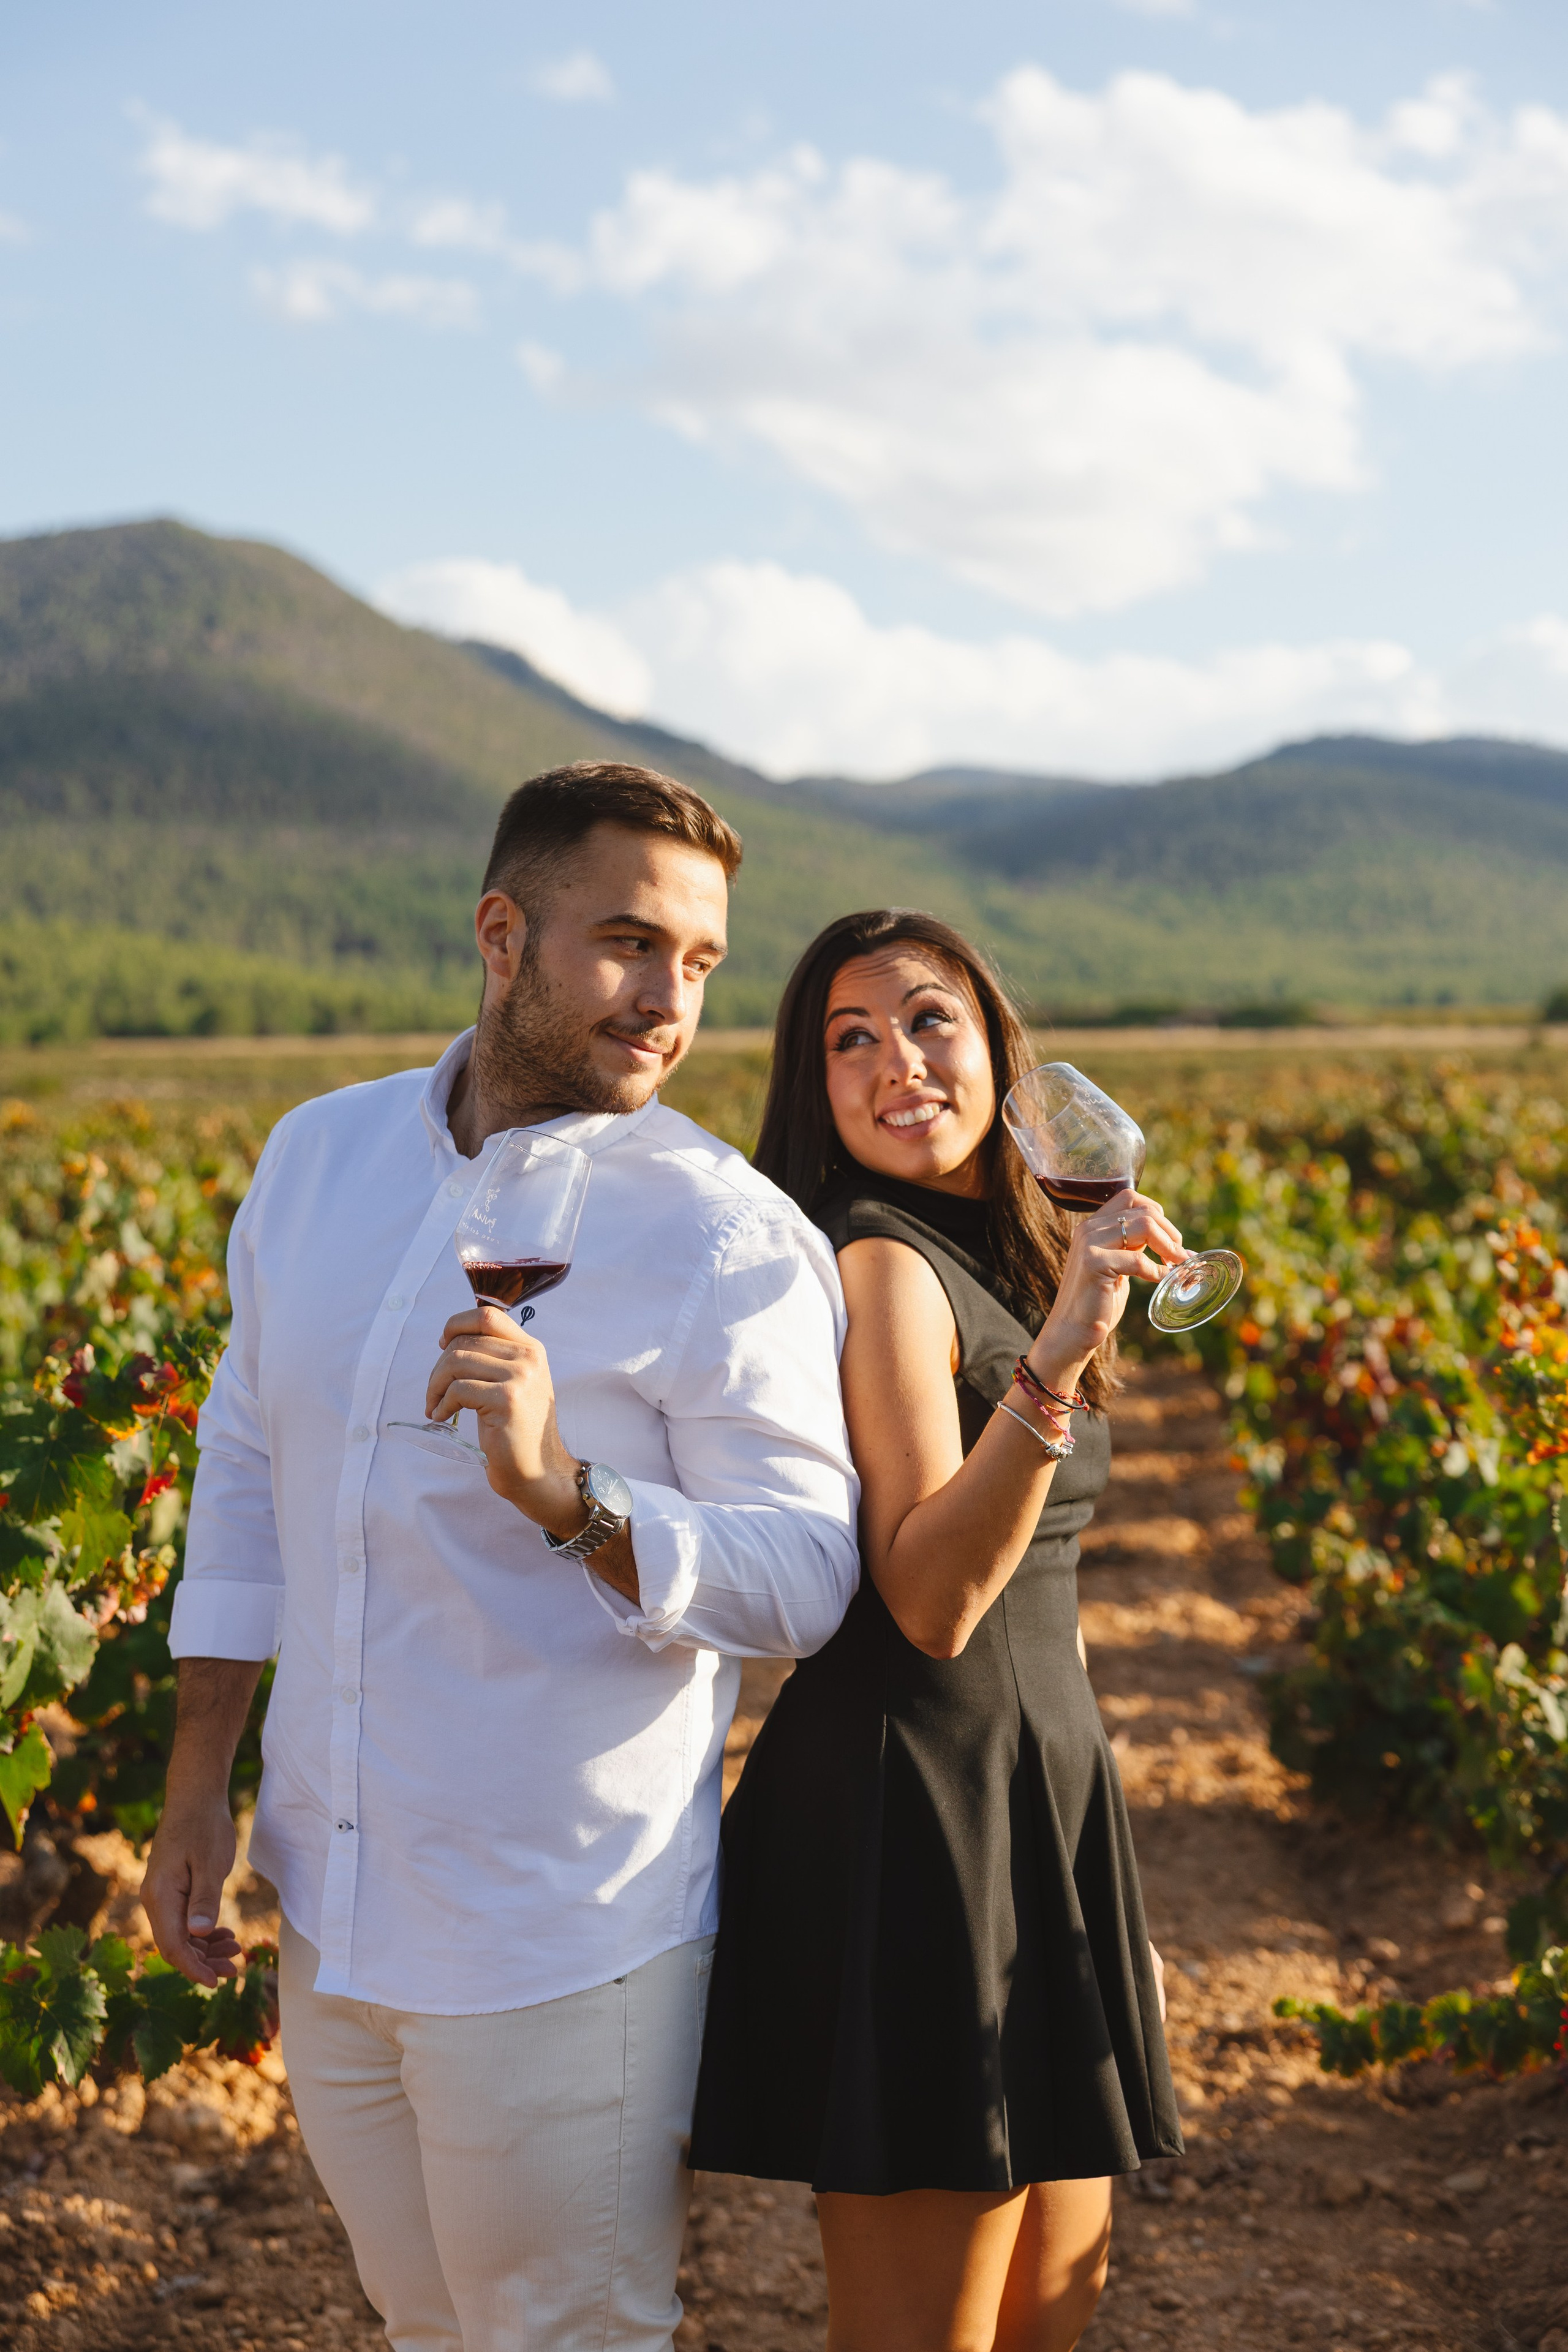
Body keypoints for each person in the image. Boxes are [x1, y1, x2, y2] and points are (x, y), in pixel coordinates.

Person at [141, 763, 861, 2352]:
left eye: (701, 961)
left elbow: (807, 1574)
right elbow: (249, 1468)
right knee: (426, 2323)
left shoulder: (725, 1237)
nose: (669, 999)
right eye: (627, 942)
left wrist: (572, 1497)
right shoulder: (318, 1162)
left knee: (563, 2334)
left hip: (559, 1931)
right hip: (333, 1898)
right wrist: (202, 1783)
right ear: (502, 933)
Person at [690, 908, 1185, 2352]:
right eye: (848, 1041)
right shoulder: (879, 1264)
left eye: (926, 1023)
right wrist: (1059, 1357)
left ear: (996, 1054)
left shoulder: (1007, 1257)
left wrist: (1098, 1879)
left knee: (1051, 2305)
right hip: (912, 1822)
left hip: (1037, 1800)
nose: (895, 1062)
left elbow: (1055, 1599)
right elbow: (929, 1597)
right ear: (815, 1089)